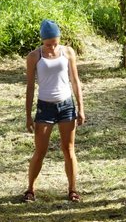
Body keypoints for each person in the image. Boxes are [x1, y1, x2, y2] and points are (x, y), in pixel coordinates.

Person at [23, 20, 86, 203]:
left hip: (66, 105)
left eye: (55, 43)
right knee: (40, 150)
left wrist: (80, 108)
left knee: (68, 149)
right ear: (42, 41)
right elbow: (29, 87)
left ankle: (73, 189)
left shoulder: (68, 52)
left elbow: (75, 81)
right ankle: (30, 189)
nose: (52, 47)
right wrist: (28, 115)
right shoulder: (34, 56)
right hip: (45, 107)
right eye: (48, 43)